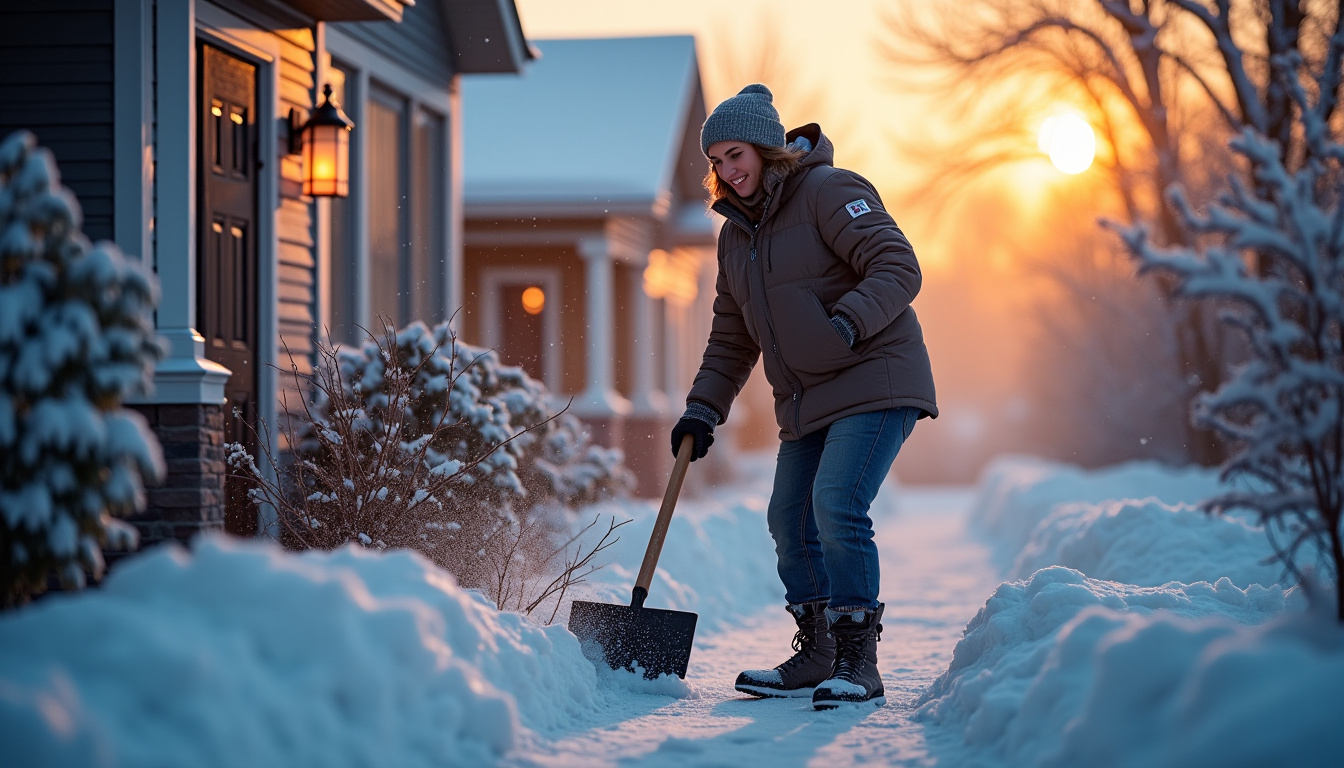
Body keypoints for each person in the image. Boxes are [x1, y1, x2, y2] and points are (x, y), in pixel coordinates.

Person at [671, 84, 937, 710]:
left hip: (875, 375)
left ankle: (857, 662)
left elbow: (899, 266)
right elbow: (732, 335)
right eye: (716, 160)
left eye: (735, 153)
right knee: (788, 517)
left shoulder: (829, 190)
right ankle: (817, 653)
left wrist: (844, 323)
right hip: (807, 397)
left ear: (766, 147)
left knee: (836, 504)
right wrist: (702, 408)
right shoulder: (736, 234)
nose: (727, 170)